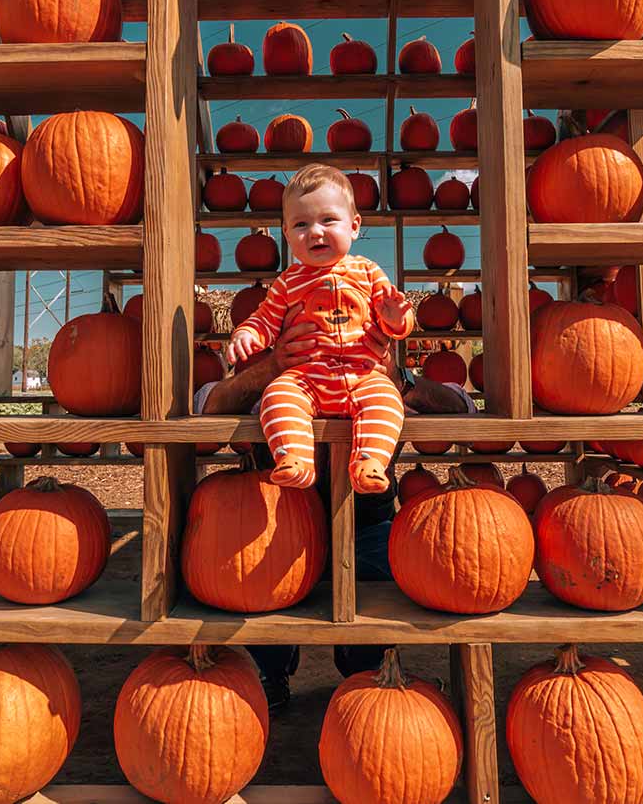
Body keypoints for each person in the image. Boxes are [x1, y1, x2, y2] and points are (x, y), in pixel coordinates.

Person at [195, 300, 475, 711]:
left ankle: (363, 667)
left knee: (396, 586)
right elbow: (206, 405)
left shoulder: (380, 386)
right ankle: (273, 669)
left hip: (367, 522)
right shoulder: (272, 391)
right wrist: (271, 368)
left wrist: (400, 379)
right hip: (275, 529)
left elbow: (463, 408)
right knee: (240, 580)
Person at [226, 164, 414, 494]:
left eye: (328, 220)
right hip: (307, 379)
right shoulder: (287, 282)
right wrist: (248, 334)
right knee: (278, 395)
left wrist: (396, 317)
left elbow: (397, 327)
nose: (315, 232)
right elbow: (265, 319)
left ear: (354, 226)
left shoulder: (368, 272)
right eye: (301, 224)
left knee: (387, 399)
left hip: (363, 374)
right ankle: (295, 458)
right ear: (286, 234)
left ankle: (370, 460)